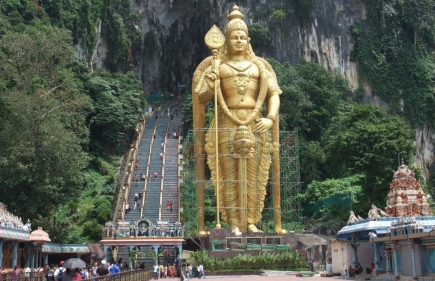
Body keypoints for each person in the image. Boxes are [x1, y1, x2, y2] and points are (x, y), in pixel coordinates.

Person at [195, 5, 282, 234]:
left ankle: (251, 221)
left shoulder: (260, 67)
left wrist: (271, 118)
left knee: (254, 176)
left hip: (255, 123)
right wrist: (212, 86)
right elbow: (201, 98)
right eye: (234, 37)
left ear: (248, 39)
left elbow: (273, 94)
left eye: (243, 37)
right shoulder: (218, 66)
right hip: (226, 124)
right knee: (229, 176)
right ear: (226, 40)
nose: (239, 40)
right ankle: (234, 222)